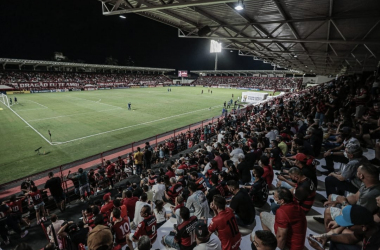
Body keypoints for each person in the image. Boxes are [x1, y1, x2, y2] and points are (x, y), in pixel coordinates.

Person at [309, 205, 380, 250]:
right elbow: (351, 238)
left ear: (363, 227)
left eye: (349, 226)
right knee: (335, 238)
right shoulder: (367, 230)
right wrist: (328, 237)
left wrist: (319, 249)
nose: (346, 227)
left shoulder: (376, 243)